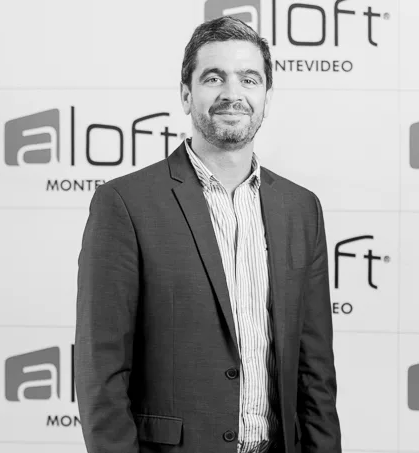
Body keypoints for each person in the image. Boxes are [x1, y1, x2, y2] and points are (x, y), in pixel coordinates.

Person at [74, 16, 341, 453]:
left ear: (267, 97)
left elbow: (315, 372)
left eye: (249, 79)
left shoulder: (300, 208)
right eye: (214, 78)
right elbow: (99, 369)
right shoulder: (125, 204)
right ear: (186, 94)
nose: (233, 93)